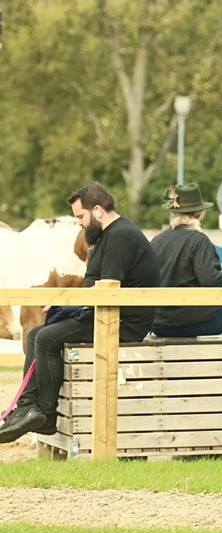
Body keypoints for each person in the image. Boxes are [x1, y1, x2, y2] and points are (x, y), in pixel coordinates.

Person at [0, 182, 160, 442]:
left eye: (81, 217)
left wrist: (67, 307)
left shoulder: (120, 237)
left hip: (121, 322)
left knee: (45, 337)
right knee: (36, 334)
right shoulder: (108, 236)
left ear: (97, 211)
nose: (79, 224)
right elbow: (93, 288)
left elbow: (106, 290)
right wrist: (62, 307)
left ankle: (45, 412)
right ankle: (27, 406)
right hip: (106, 314)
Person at [150, 183, 222, 341]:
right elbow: (210, 279)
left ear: (173, 212)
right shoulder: (198, 240)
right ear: (200, 213)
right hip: (187, 321)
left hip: (158, 323)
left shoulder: (157, 240)